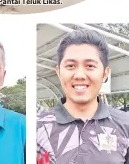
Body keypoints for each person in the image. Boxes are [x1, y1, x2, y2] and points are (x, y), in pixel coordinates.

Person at [37, 29, 129, 164]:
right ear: (58, 71)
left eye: (90, 66)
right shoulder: (36, 126)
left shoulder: (125, 124)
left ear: (105, 73)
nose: (80, 75)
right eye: (70, 65)